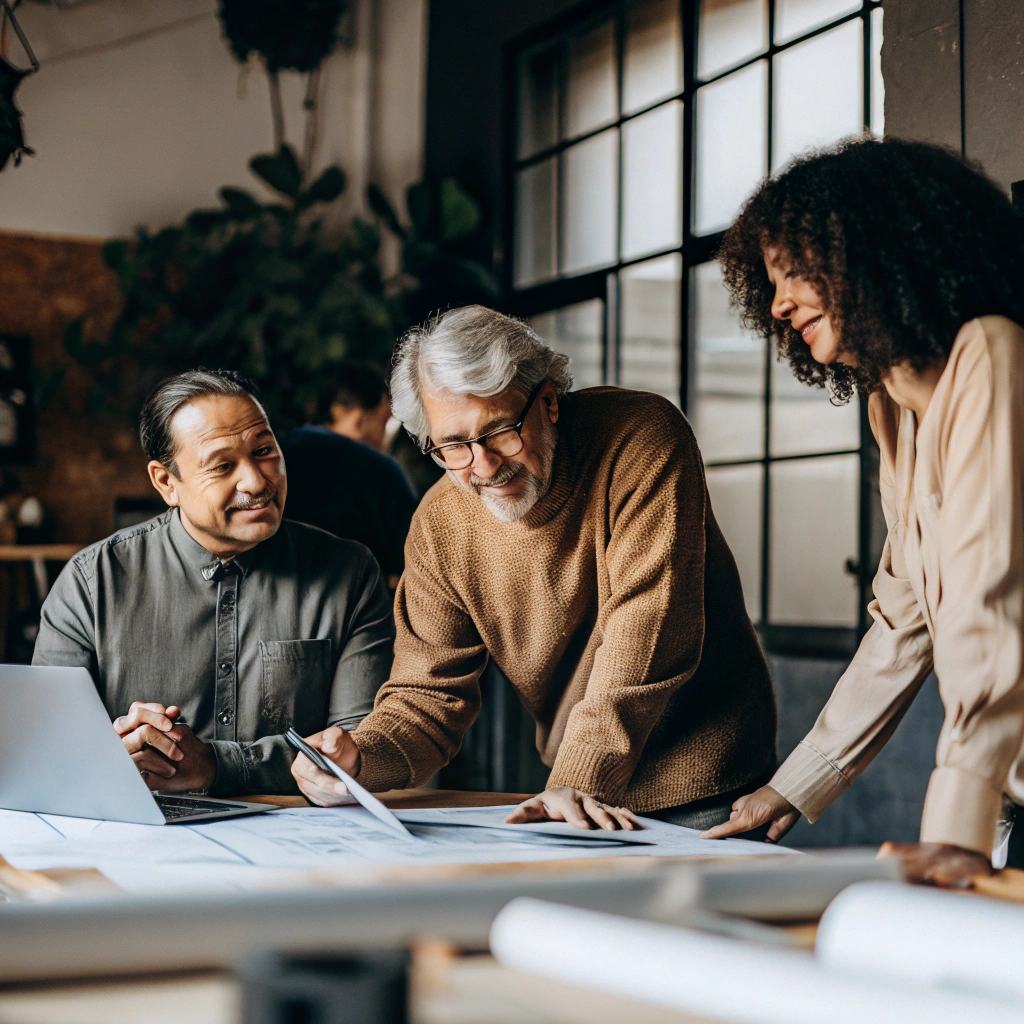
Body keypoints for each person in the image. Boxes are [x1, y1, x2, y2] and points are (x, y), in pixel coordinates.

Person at [289, 305, 777, 832]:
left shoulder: (641, 438)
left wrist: (578, 776)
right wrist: (359, 757)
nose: (484, 466)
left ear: (548, 401)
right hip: (576, 787)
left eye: (499, 431)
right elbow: (427, 695)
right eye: (453, 445)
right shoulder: (439, 524)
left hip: (706, 779)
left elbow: (648, 632)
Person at [701, 137, 1024, 886]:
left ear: (877, 251)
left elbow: (989, 602)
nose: (778, 305)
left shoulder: (992, 356)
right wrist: (797, 782)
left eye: (796, 274)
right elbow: (904, 615)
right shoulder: (892, 407)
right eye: (771, 282)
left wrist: (957, 830)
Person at [34, 369, 394, 796]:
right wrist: (117, 755)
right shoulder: (90, 584)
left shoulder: (348, 573)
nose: (257, 481)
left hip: (301, 844)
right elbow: (49, 754)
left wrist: (219, 766)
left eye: (264, 451)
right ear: (167, 482)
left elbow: (359, 744)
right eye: (223, 466)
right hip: (141, 843)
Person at [279, 362, 418, 585]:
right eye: (384, 421)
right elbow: (407, 570)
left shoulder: (277, 454)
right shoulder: (383, 472)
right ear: (357, 416)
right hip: (361, 607)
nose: (386, 434)